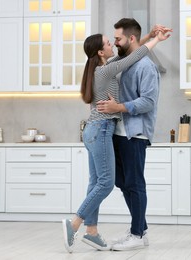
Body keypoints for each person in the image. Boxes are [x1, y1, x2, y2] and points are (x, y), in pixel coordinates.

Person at [61, 26, 171, 253]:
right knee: (106, 183)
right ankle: (74, 224)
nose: (112, 44)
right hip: (101, 130)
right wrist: (155, 40)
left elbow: (136, 57)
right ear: (101, 52)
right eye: (108, 43)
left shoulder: (104, 68)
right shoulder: (105, 71)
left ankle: (92, 233)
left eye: (115, 40)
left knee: (97, 183)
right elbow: (136, 54)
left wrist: (149, 36)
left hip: (98, 130)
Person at [96, 18, 170, 251]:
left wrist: (118, 107)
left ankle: (137, 233)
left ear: (130, 38)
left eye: (117, 38)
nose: (114, 42)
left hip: (135, 133)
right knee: (122, 182)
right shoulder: (125, 61)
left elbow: (148, 102)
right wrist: (149, 37)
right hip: (119, 132)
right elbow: (129, 52)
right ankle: (141, 229)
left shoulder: (146, 67)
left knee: (135, 183)